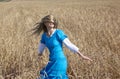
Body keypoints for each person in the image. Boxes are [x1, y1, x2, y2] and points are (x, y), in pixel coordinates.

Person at [32, 15, 92, 79]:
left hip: (60, 61)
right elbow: (41, 48)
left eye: (53, 22)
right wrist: (39, 56)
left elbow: (69, 45)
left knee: (57, 77)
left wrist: (81, 55)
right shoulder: (44, 36)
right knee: (45, 76)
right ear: (45, 23)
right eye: (50, 21)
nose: (52, 23)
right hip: (51, 60)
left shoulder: (58, 33)